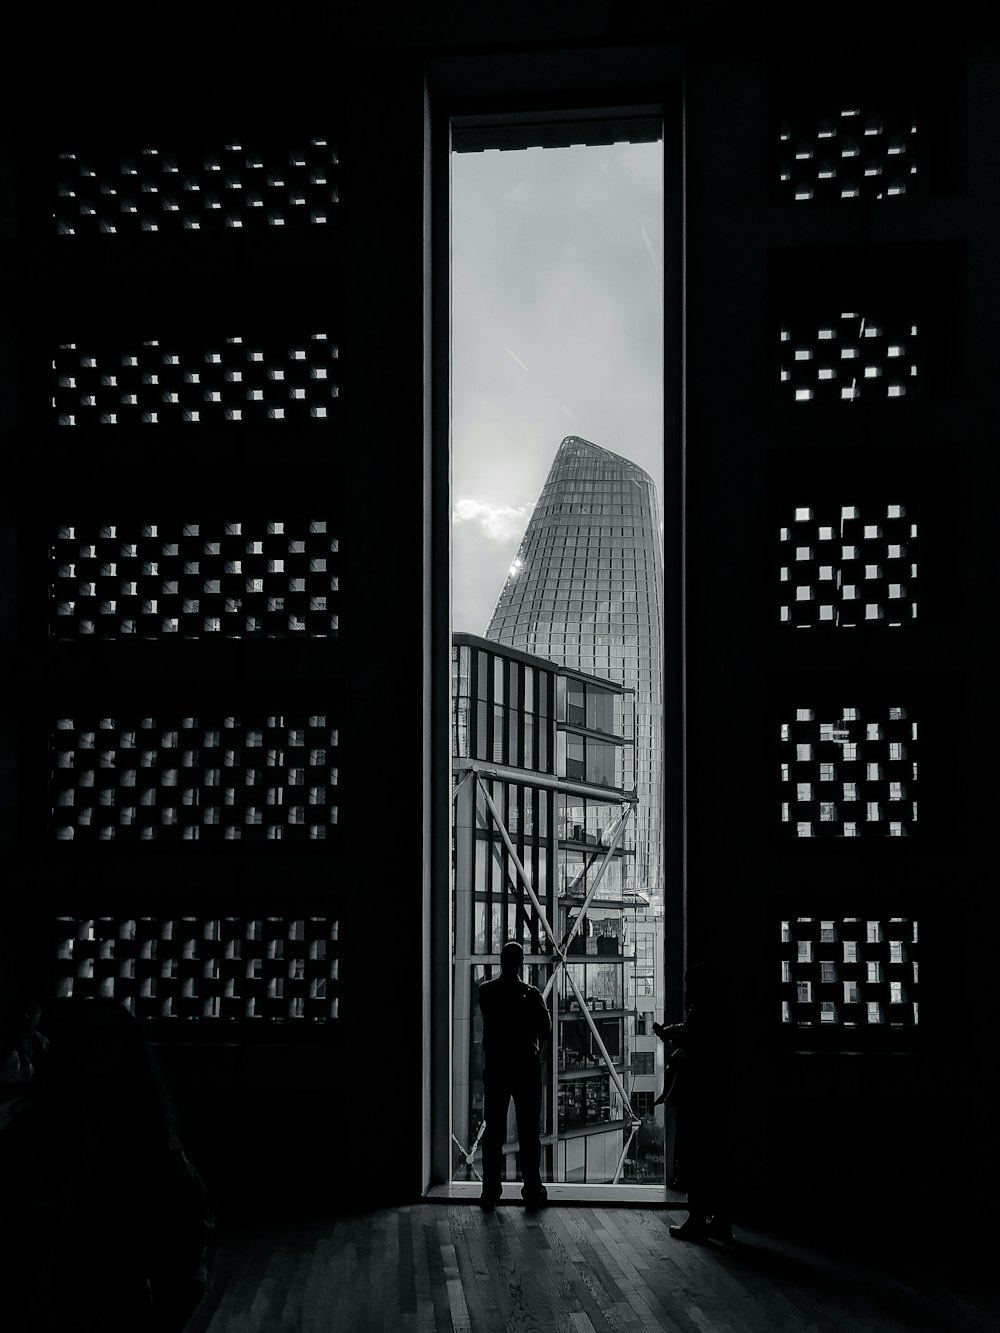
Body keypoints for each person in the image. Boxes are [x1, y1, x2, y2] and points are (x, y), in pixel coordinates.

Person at [0, 997, 213, 1332]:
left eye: (108, 1035)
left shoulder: (152, 1139)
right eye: (86, 1035)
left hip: (115, 1298)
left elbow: (185, 1227)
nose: (96, 1045)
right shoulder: (31, 1132)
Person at [654, 961, 734, 1242]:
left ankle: (697, 1219)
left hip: (697, 1094)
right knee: (714, 1157)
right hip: (715, 1095)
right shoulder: (721, 1012)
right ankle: (721, 1220)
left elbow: (689, 1035)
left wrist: (670, 1033)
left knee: (695, 1156)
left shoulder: (700, 1012)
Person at [477, 940, 551, 1210]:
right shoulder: (531, 995)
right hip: (525, 1067)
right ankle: (532, 1189)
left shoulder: (485, 992)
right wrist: (533, 1048)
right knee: (529, 1131)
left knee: (494, 1131)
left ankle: (490, 1192)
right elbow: (545, 1027)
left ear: (500, 961)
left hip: (496, 1066)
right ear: (521, 963)